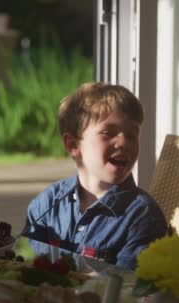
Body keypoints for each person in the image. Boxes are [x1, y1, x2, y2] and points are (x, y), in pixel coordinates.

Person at [23, 82, 167, 270]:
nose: (123, 142)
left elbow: (127, 289)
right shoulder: (48, 203)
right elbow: (26, 266)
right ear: (73, 146)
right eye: (108, 133)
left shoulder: (142, 216)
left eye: (132, 135)